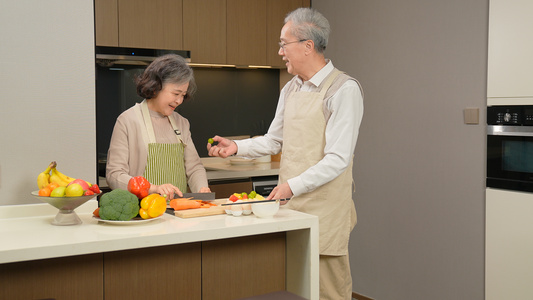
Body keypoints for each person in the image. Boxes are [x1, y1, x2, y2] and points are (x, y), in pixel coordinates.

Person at [207, 8, 363, 300]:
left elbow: (338, 159)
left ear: (308, 45)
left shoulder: (344, 90)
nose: (280, 52)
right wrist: (237, 147)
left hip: (325, 208)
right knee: (297, 284)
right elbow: (273, 140)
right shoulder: (291, 88)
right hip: (292, 205)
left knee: (327, 289)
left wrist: (292, 185)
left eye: (283, 44)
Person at [106, 54, 211, 199]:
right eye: (176, 93)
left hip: (177, 214)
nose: (179, 100)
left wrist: (202, 188)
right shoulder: (128, 121)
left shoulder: (182, 123)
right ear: (155, 87)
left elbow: (194, 167)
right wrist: (152, 188)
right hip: (143, 213)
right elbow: (114, 175)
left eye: (183, 95)